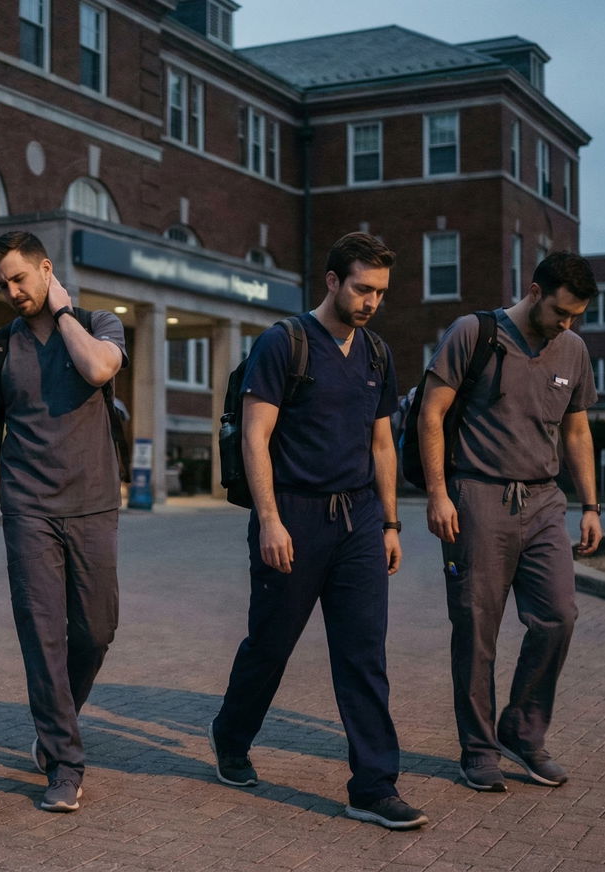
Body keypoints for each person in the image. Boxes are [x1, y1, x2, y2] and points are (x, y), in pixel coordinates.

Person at [208, 232, 427, 831]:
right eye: (362, 288)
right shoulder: (285, 343)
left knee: (363, 653)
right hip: (294, 516)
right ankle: (231, 736)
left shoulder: (378, 353)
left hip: (357, 518)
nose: (371, 301)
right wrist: (271, 519)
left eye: (380, 292)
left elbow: (382, 442)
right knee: (271, 645)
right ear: (332, 281)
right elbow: (254, 436)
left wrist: (388, 522)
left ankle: (374, 785)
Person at [418, 251, 603, 794]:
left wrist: (591, 505)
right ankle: (478, 748)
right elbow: (431, 413)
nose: (567, 324)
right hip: (477, 494)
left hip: (545, 501)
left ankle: (522, 731)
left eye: (577, 315)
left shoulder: (573, 349)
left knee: (559, 616)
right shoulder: (473, 334)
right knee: (477, 628)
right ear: (534, 290)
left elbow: (576, 433)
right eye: (561, 311)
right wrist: (438, 494)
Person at [0, 231, 126, 813]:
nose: (10, 291)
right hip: (27, 510)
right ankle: (63, 762)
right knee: (42, 637)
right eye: (1, 283)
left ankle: (58, 723)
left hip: (94, 506)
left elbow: (100, 369)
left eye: (19, 278)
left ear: (45, 270)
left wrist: (61, 310)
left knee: (96, 631)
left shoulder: (99, 323)